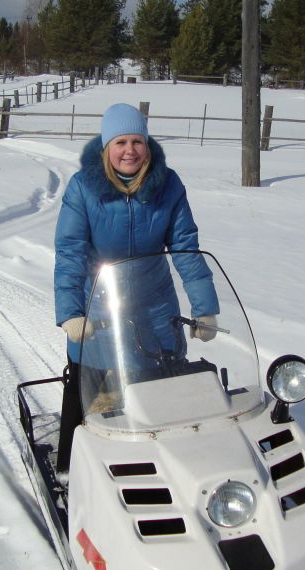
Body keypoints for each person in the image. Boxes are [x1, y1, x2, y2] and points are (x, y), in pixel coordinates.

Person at [53, 102, 217, 471]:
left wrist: (204, 308)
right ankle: (71, 469)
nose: (130, 151)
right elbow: (70, 254)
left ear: (147, 143)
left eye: (137, 141)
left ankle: (169, 467)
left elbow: (186, 248)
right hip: (98, 305)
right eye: (121, 142)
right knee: (91, 389)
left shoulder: (168, 185)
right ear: (106, 148)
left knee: (160, 389)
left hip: (153, 305)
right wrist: (71, 313)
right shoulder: (83, 188)